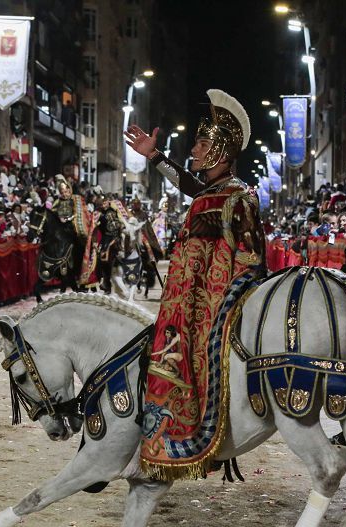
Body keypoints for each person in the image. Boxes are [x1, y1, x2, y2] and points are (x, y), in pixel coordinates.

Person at [124, 89, 266, 477]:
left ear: (220, 151)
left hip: (213, 304)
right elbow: (191, 186)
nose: (196, 150)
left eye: (203, 144)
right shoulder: (212, 192)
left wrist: (220, 300)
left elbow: (251, 259)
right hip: (186, 302)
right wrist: (153, 156)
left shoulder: (239, 197)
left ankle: (207, 430)